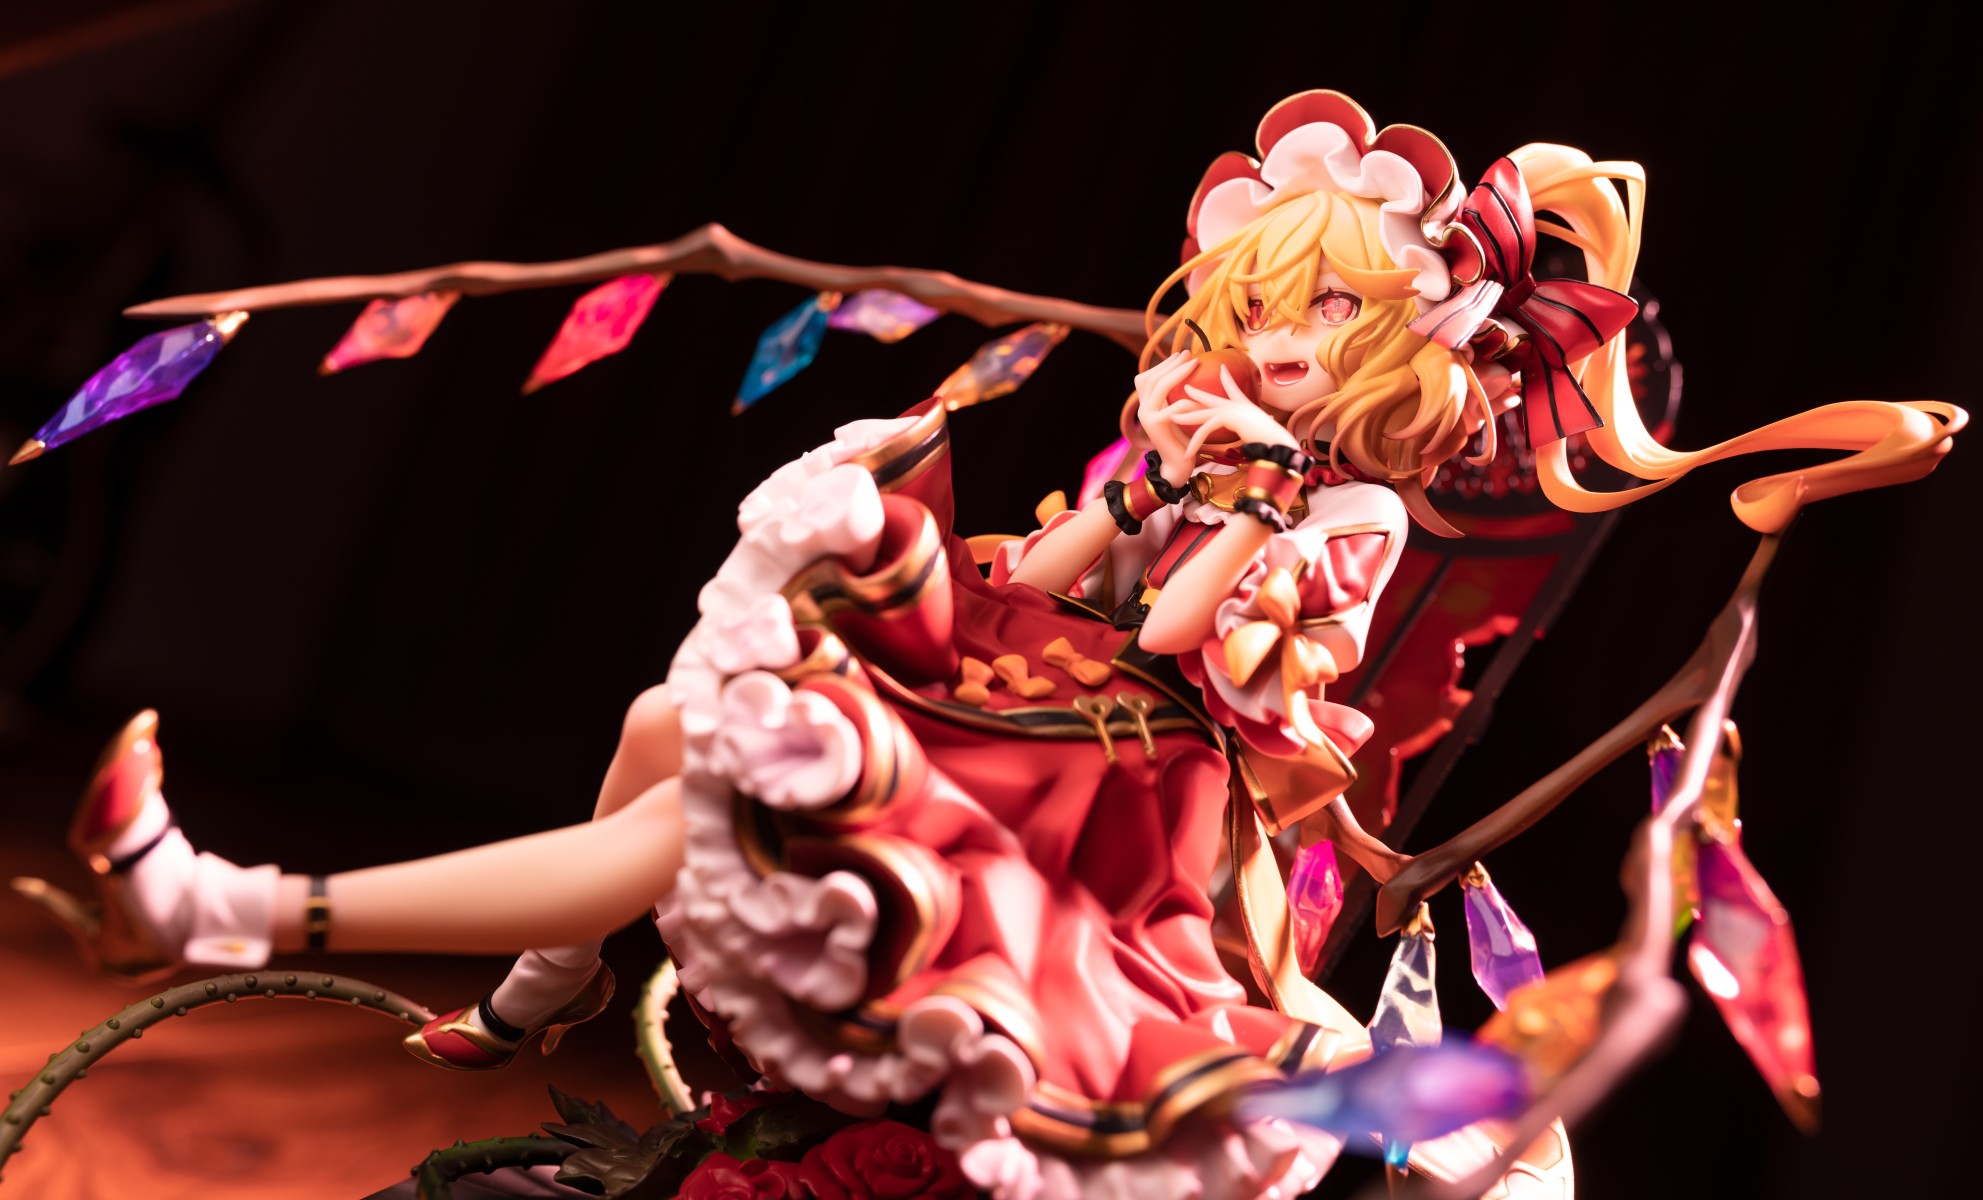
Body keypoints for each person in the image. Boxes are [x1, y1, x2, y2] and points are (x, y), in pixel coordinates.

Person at [17, 90, 1960, 1199]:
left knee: (720, 814)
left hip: (1131, 803)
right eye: (1255, 313)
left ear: (1389, 368)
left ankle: (233, 909)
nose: (1263, 348)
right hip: (1043, 698)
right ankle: (528, 988)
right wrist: (1130, 485)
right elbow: (1074, 576)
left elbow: (1192, 645)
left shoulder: (1351, 513)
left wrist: (1230, 493)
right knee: (670, 726)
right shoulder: (1218, 437)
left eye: (1312, 327)